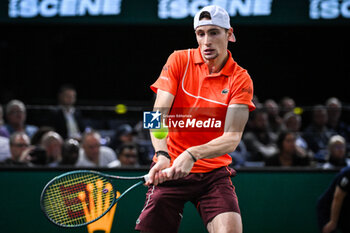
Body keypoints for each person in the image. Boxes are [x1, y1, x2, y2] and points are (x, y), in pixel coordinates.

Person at [135, 5, 255, 233]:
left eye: (214, 32)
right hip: (169, 169)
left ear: (229, 34)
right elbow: (155, 116)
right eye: (201, 34)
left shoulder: (241, 79)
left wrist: (192, 154)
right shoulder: (178, 60)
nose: (206, 41)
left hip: (212, 174)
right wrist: (161, 155)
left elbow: (231, 138)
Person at [317, 166, 350, 233]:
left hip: (345, 208)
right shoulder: (347, 173)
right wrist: (333, 221)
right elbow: (337, 197)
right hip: (328, 208)